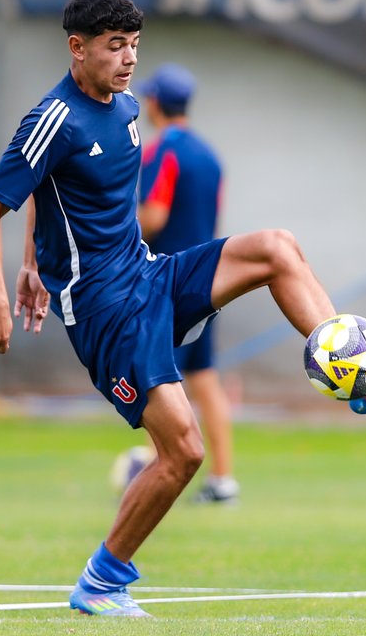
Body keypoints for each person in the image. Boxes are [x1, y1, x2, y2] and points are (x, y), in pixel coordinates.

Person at [0, 0, 366, 618]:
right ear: (77, 47)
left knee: (277, 248)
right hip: (106, 311)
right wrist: (0, 288)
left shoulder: (125, 106)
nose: (128, 60)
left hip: (148, 275)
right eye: (113, 46)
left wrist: (31, 264)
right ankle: (101, 581)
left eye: (133, 46)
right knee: (184, 452)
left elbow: (49, 191)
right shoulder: (54, 118)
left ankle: (354, 374)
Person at [136, 63, 237, 505]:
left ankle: (156, 473)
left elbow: (154, 217)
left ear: (155, 103)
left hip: (167, 283)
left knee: (156, 379)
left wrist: (111, 237)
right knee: (204, 379)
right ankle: (223, 480)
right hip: (207, 280)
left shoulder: (162, 152)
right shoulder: (212, 156)